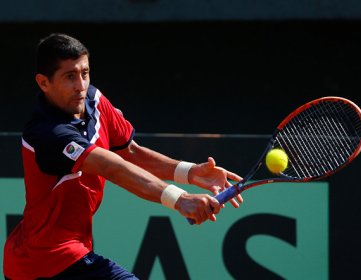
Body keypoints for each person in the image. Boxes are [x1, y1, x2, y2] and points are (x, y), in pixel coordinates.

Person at [3, 33, 243, 280]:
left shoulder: (93, 101)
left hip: (66, 255)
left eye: (84, 73)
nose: (80, 85)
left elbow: (130, 153)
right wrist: (179, 199)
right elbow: (113, 167)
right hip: (42, 261)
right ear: (44, 83)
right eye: (69, 77)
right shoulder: (47, 133)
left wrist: (190, 172)